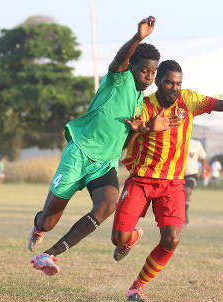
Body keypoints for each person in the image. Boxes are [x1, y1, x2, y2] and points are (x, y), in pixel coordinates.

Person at [28, 16, 177, 276]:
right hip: (79, 155)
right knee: (49, 220)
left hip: (104, 163)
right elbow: (120, 59)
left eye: (153, 72)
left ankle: (49, 255)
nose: (149, 76)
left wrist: (141, 129)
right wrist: (138, 38)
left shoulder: (140, 102)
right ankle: (38, 225)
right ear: (132, 66)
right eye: (144, 70)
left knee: (107, 205)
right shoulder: (118, 79)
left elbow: (125, 143)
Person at [112, 60, 223, 302]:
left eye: (178, 83)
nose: (174, 88)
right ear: (159, 82)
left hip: (172, 184)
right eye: (169, 83)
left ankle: (137, 286)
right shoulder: (142, 106)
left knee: (171, 239)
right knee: (118, 239)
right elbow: (123, 146)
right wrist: (146, 129)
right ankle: (131, 238)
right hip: (141, 180)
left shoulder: (189, 100)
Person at [183, 138, 206, 225]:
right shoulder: (178, 140)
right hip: (178, 174)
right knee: (179, 196)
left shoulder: (196, 143)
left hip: (191, 174)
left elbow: (203, 157)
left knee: (187, 191)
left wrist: (203, 172)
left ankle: (185, 214)